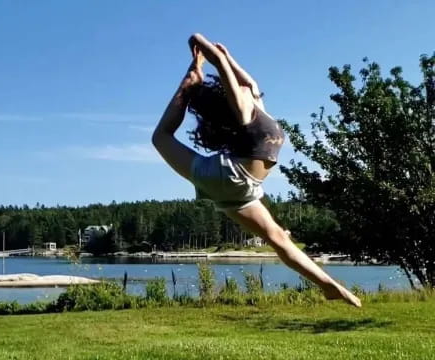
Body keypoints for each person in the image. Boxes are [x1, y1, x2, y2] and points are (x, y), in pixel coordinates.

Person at [152, 33, 361, 307]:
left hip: (239, 187)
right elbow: (215, 58)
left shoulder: (257, 106)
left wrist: (225, 57)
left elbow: (249, 81)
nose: (242, 87)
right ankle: (189, 85)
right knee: (161, 137)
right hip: (231, 176)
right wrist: (201, 56)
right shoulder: (244, 113)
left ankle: (330, 286)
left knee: (277, 238)